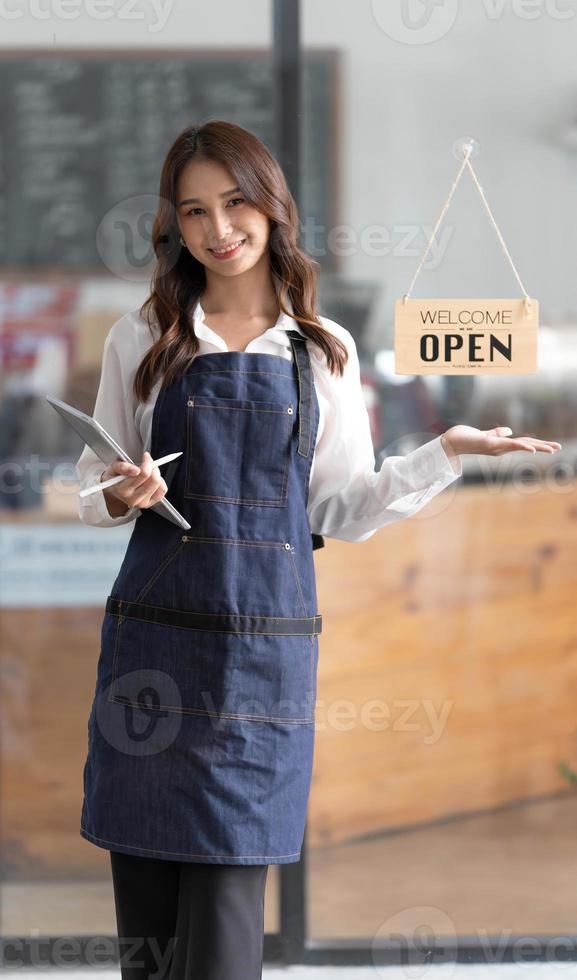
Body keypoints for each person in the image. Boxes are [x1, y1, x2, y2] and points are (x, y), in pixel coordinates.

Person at [75, 120, 561, 980]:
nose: (217, 228)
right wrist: (125, 489)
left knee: (224, 936)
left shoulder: (318, 350)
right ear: (174, 225)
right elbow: (94, 482)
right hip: (151, 652)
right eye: (193, 211)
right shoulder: (141, 335)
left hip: (259, 662)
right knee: (147, 937)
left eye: (233, 202)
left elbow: (337, 505)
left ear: (269, 205)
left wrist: (443, 451)